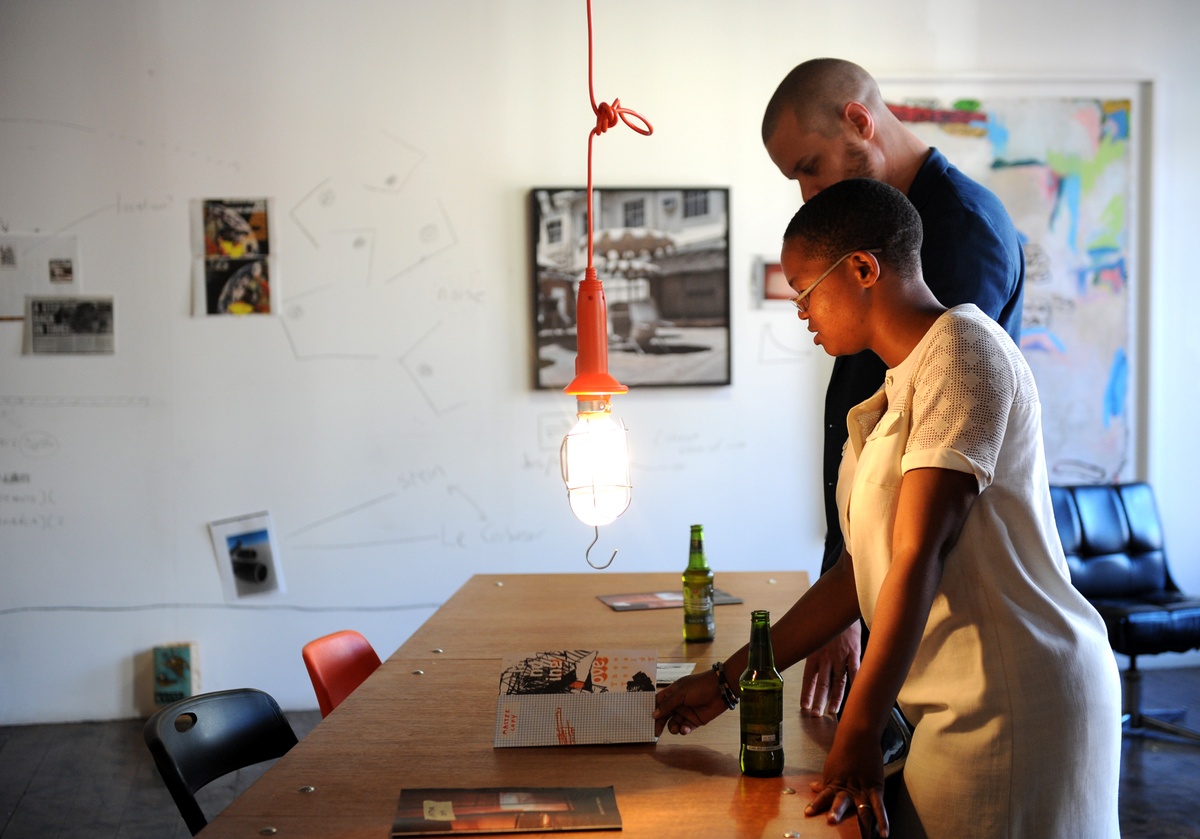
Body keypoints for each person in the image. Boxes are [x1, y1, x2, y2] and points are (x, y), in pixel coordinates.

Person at [653, 178, 1121, 838]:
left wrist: (859, 725)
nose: (800, 313)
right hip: (948, 705)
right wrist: (729, 680)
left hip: (1017, 700)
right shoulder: (887, 395)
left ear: (864, 268)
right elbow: (857, 576)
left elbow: (917, 553)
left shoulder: (964, 349)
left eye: (804, 290)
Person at [761, 58, 1026, 717]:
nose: (807, 194)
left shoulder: (963, 231)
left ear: (859, 121)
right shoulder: (882, 228)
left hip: (958, 627)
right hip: (884, 583)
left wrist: (844, 610)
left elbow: (919, 463)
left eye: (808, 166)